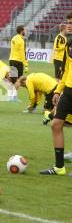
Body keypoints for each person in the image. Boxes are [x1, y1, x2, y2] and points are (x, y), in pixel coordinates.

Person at [40, 13, 72, 176]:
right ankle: (59, 167)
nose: (69, 25)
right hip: (68, 90)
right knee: (56, 124)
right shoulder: (68, 44)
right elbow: (66, 70)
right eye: (68, 22)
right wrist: (58, 91)